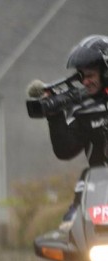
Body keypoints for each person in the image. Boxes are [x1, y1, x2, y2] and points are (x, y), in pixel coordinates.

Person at [43, 35, 108, 226]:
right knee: (69, 226)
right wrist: (54, 115)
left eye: (90, 75)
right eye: (82, 76)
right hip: (101, 193)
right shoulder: (84, 110)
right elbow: (65, 150)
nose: (85, 82)